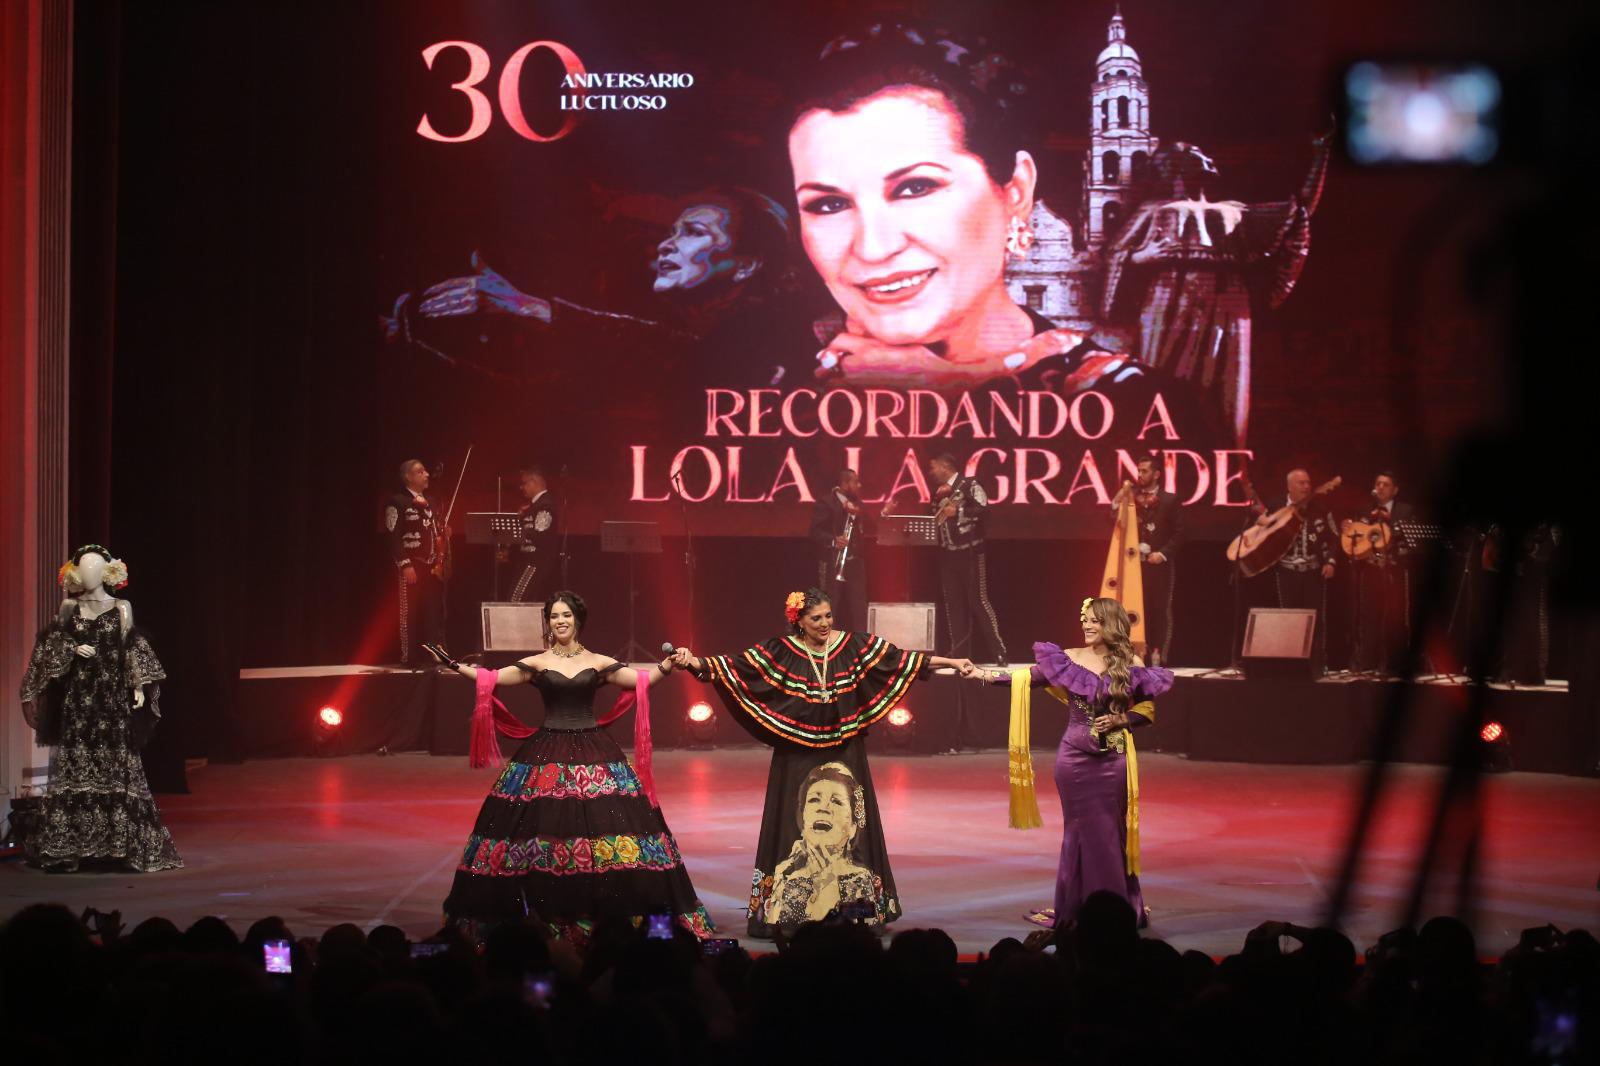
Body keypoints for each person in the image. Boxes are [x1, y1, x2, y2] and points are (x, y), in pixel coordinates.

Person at [790, 23, 1123, 391]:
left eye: (916, 187)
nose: (873, 248)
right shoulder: (761, 395)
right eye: (829, 204)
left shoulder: (1132, 404)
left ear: (1016, 192)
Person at [671, 589, 975, 936]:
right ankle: (791, 913)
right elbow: (736, 667)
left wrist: (951, 663)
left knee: (850, 826)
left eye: (828, 616)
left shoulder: (853, 646)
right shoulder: (780, 651)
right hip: (796, 751)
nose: (825, 623)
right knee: (794, 821)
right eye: (816, 618)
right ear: (798, 621)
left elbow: (902, 660)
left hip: (844, 749)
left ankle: (856, 911)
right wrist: (695, 663)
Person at [422, 592, 712, 944]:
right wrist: (453, 664)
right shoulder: (539, 662)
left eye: (566, 615)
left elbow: (641, 682)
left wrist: (668, 666)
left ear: (578, 620)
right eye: (554, 616)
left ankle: (613, 921)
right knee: (536, 834)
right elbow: (492, 679)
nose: (560, 621)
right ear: (549, 622)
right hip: (546, 751)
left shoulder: (599, 661)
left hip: (594, 750)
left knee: (612, 832)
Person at [985, 597, 1171, 928]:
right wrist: (983, 675)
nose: (1086, 625)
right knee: (1079, 832)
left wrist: (1119, 721)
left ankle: (1113, 910)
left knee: (1109, 832)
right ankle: (1078, 908)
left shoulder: (1130, 660)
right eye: (1084, 619)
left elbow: (1147, 711)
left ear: (1110, 623)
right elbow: (1025, 677)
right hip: (1073, 759)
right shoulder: (1068, 658)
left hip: (1113, 757)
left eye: (1094, 620)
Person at [17, 545, 182, 872]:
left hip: (110, 698)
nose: (91, 575)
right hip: (79, 700)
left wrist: (137, 685)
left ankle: (121, 846)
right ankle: (72, 848)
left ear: (107, 573)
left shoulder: (121, 608)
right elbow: (51, 646)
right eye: (85, 569)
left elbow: (130, 646)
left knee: (117, 766)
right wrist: (72, 648)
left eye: (96, 569)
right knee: (76, 767)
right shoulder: (68, 608)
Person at [930, 453, 1007, 666]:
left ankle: (998, 651)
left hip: (970, 553)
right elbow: (935, 520)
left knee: (978, 601)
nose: (931, 472)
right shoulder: (936, 492)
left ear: (944, 466)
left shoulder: (970, 484)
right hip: (947, 555)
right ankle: (959, 655)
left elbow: (985, 512)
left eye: (933, 467)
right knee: (953, 605)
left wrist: (959, 510)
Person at [1112, 452, 1183, 665]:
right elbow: (1113, 520)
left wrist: (1162, 554)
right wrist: (1116, 503)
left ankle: (1158, 654)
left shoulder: (1170, 500)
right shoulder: (1130, 496)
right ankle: (1134, 655)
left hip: (1158, 566)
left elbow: (1180, 533)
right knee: (1133, 609)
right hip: (1134, 566)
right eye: (1139, 470)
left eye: (1145, 471)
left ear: (1157, 474)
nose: (1140, 475)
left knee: (1159, 610)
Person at [1269, 468, 1339, 674]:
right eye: (1301, 483)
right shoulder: (1276, 506)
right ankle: (1291, 666)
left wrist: (1331, 561)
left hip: (1312, 573)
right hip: (1287, 573)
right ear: (1289, 486)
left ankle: (1317, 665)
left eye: (1308, 482)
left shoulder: (1320, 508)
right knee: (1289, 619)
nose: (1306, 486)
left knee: (1315, 620)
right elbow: (1263, 533)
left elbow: (1334, 538)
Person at [1350, 471, 1416, 675]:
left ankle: (1393, 665)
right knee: (1369, 616)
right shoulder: (1364, 510)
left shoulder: (1405, 511)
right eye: (1377, 483)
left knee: (1393, 619)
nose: (1380, 488)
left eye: (1385, 484)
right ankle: (1367, 663)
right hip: (1370, 571)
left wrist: (1391, 530)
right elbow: (1356, 538)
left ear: (1395, 490)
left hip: (1393, 572)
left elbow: (1410, 540)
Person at [386, 459, 446, 664]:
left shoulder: (432, 501)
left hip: (431, 566)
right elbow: (393, 537)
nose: (427, 474)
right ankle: (407, 655)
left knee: (433, 611)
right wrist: (405, 565)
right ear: (408, 477)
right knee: (408, 611)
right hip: (412, 564)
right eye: (421, 472)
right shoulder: (398, 501)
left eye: (426, 470)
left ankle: (433, 653)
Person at [809, 468, 870, 631]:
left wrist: (861, 514)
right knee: (829, 607)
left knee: (859, 609)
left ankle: (861, 648)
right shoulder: (827, 502)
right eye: (855, 482)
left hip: (855, 563)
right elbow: (815, 531)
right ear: (844, 484)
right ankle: (825, 648)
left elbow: (871, 526)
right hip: (832, 563)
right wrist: (834, 540)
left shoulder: (858, 504)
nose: (859, 485)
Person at [501, 466, 558, 603]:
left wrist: (518, 525)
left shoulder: (545, 505)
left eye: (524, 483)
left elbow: (540, 535)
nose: (522, 487)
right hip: (528, 561)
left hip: (536, 561)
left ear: (535, 481)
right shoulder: (533, 506)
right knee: (519, 599)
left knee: (516, 598)